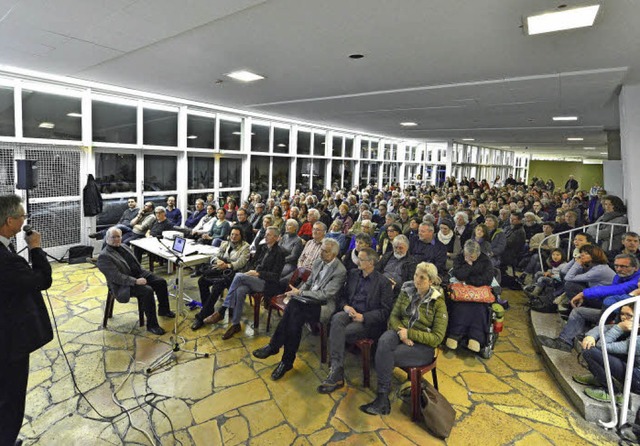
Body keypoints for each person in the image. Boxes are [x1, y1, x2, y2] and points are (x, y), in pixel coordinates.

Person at [360, 262, 448, 415]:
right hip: (401, 331)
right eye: (415, 275)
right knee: (383, 341)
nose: (417, 280)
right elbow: (394, 316)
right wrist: (402, 332)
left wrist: (410, 334)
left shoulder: (438, 303)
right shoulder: (407, 290)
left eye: (422, 278)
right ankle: (383, 397)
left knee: (387, 355)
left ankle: (382, 398)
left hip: (423, 346)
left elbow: (437, 338)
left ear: (431, 281)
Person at [252, 239, 347, 380]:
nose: (321, 253)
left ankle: (275, 347)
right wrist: (297, 294)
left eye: (325, 251)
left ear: (334, 254)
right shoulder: (318, 262)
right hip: (306, 301)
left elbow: (326, 294)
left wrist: (299, 294)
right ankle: (286, 361)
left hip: (323, 306)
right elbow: (308, 283)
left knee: (294, 311)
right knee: (294, 314)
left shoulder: (340, 270)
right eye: (321, 249)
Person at [0, 195, 53, 445]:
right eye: (22, 216)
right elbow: (43, 279)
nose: (24, 220)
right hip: (9, 341)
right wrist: (35, 247)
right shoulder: (8, 262)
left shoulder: (5, 248)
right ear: (10, 221)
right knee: (10, 397)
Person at [317, 248, 393, 394]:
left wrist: (364, 317)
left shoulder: (383, 283)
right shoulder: (353, 274)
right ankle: (337, 369)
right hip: (351, 312)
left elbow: (385, 311)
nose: (357, 261)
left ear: (371, 262)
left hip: (367, 320)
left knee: (341, 331)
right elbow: (342, 296)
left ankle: (336, 371)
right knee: (337, 318)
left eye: (361, 259)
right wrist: (345, 307)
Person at [538, 254, 639, 352]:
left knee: (574, 288)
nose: (618, 269)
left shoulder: (636, 281)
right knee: (578, 311)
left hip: (624, 321)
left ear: (635, 268)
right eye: (616, 266)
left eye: (623, 266)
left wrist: (584, 293)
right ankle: (565, 341)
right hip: (613, 312)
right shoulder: (619, 276)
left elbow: (612, 297)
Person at [206, 226, 286, 340]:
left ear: (276, 237)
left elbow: (276, 276)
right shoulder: (262, 247)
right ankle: (235, 324)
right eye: (266, 234)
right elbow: (252, 263)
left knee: (238, 276)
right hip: (253, 278)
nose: (265, 236)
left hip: (266, 283)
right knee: (240, 290)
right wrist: (249, 271)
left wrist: (258, 273)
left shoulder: (280, 252)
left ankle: (222, 310)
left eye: (268, 235)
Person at [97, 227, 175, 335]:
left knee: (160, 281)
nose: (116, 239)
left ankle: (164, 310)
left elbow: (135, 264)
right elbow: (117, 277)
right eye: (113, 237)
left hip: (138, 274)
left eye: (118, 236)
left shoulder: (124, 246)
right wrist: (135, 281)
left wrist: (144, 274)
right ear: (107, 239)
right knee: (147, 291)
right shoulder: (104, 256)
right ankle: (152, 325)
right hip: (123, 284)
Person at [572, 304, 640, 403]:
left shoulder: (637, 340)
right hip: (632, 369)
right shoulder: (630, 326)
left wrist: (619, 328)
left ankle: (612, 393)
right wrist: (590, 336)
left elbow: (602, 345)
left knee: (590, 351)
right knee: (591, 344)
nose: (623, 317)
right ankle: (599, 378)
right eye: (622, 314)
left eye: (629, 315)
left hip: (637, 381)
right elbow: (605, 328)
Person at [191, 227, 250, 330]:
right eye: (232, 234)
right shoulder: (225, 243)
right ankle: (208, 309)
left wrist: (227, 265)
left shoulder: (245, 247)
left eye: (236, 235)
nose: (233, 237)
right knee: (202, 281)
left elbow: (241, 263)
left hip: (234, 274)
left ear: (241, 236)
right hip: (221, 270)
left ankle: (201, 317)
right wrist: (218, 261)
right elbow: (215, 255)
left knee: (217, 287)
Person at [446, 240, 495, 352]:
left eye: (472, 257)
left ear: (478, 254)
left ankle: (475, 338)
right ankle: (455, 335)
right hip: (463, 294)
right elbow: (458, 274)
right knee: (459, 307)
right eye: (467, 256)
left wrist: (468, 281)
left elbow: (487, 279)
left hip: (479, 294)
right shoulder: (460, 258)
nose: (470, 258)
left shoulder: (486, 261)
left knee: (480, 309)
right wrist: (468, 264)